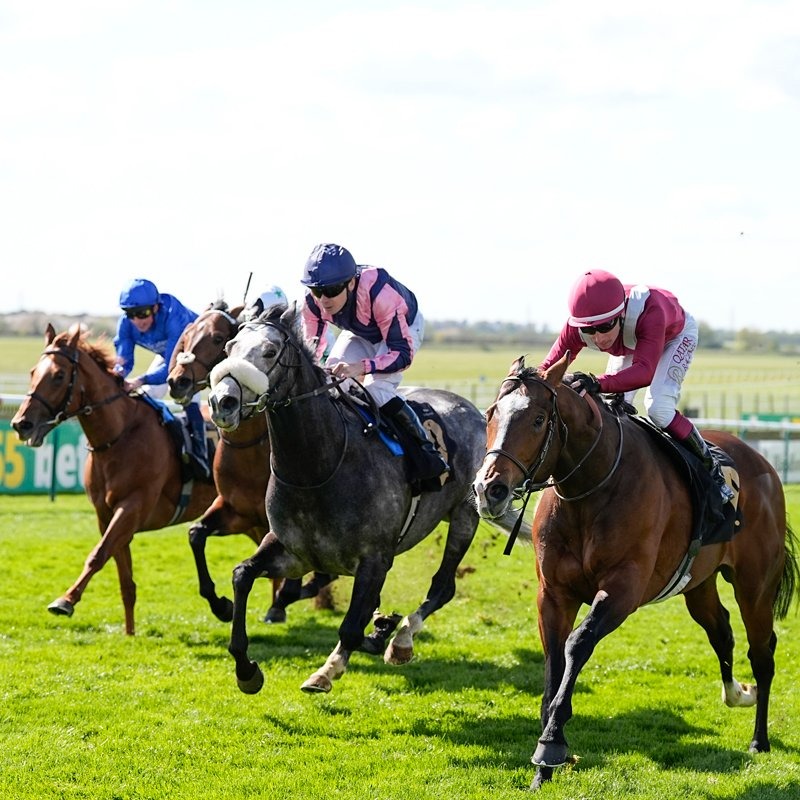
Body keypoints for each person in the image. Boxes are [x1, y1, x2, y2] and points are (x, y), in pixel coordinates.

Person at [539, 269, 734, 505]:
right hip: (631, 342)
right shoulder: (577, 326)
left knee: (658, 407)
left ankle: (711, 470)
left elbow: (644, 372)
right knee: (612, 408)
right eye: (589, 330)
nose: (599, 338)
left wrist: (597, 382)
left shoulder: (651, 312)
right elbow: (546, 370)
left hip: (674, 337)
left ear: (620, 314)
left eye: (604, 326)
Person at [299, 243, 449, 481]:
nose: (324, 299)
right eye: (317, 291)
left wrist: (362, 367)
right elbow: (312, 351)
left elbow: (402, 355)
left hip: (401, 332)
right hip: (360, 332)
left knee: (376, 390)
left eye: (332, 289)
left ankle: (426, 453)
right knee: (334, 382)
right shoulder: (312, 303)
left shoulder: (380, 294)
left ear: (350, 283)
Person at [113, 278, 210, 481]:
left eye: (143, 313)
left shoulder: (174, 316)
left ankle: (200, 455)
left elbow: (172, 367)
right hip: (168, 355)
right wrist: (117, 377)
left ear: (156, 307)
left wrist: (141, 379)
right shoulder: (125, 325)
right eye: (131, 314)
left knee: (185, 397)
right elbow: (124, 361)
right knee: (147, 397)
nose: (138, 320)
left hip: (194, 355)